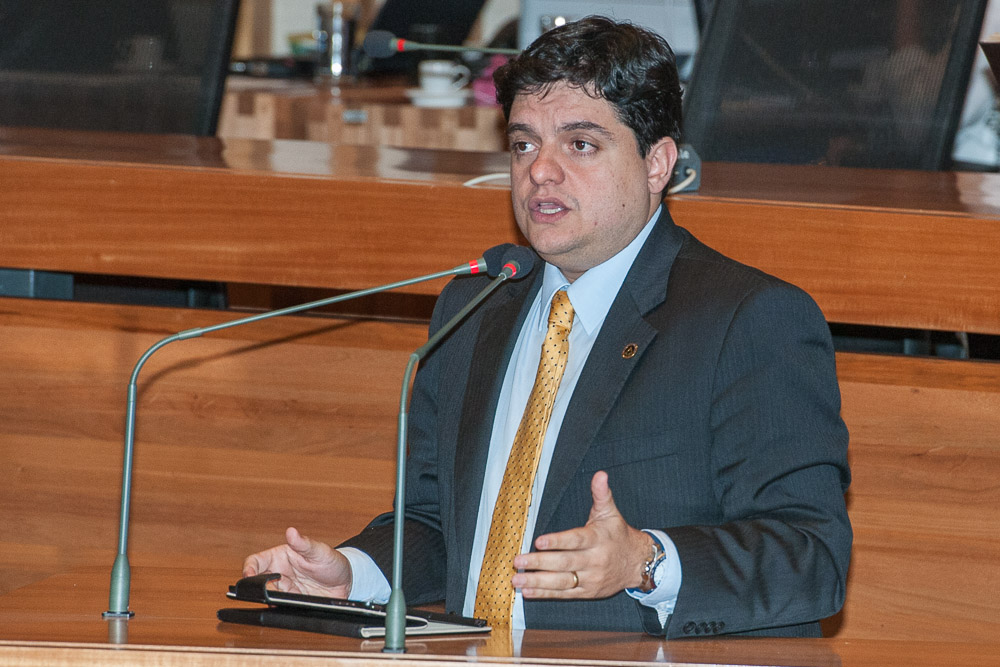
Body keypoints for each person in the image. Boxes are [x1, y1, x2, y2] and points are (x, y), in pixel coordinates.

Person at [243, 16, 852, 638]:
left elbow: (813, 557)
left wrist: (646, 561)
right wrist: (356, 574)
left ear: (657, 163)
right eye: (524, 145)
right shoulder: (475, 306)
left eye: (580, 144)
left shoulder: (749, 319)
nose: (540, 172)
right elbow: (437, 523)